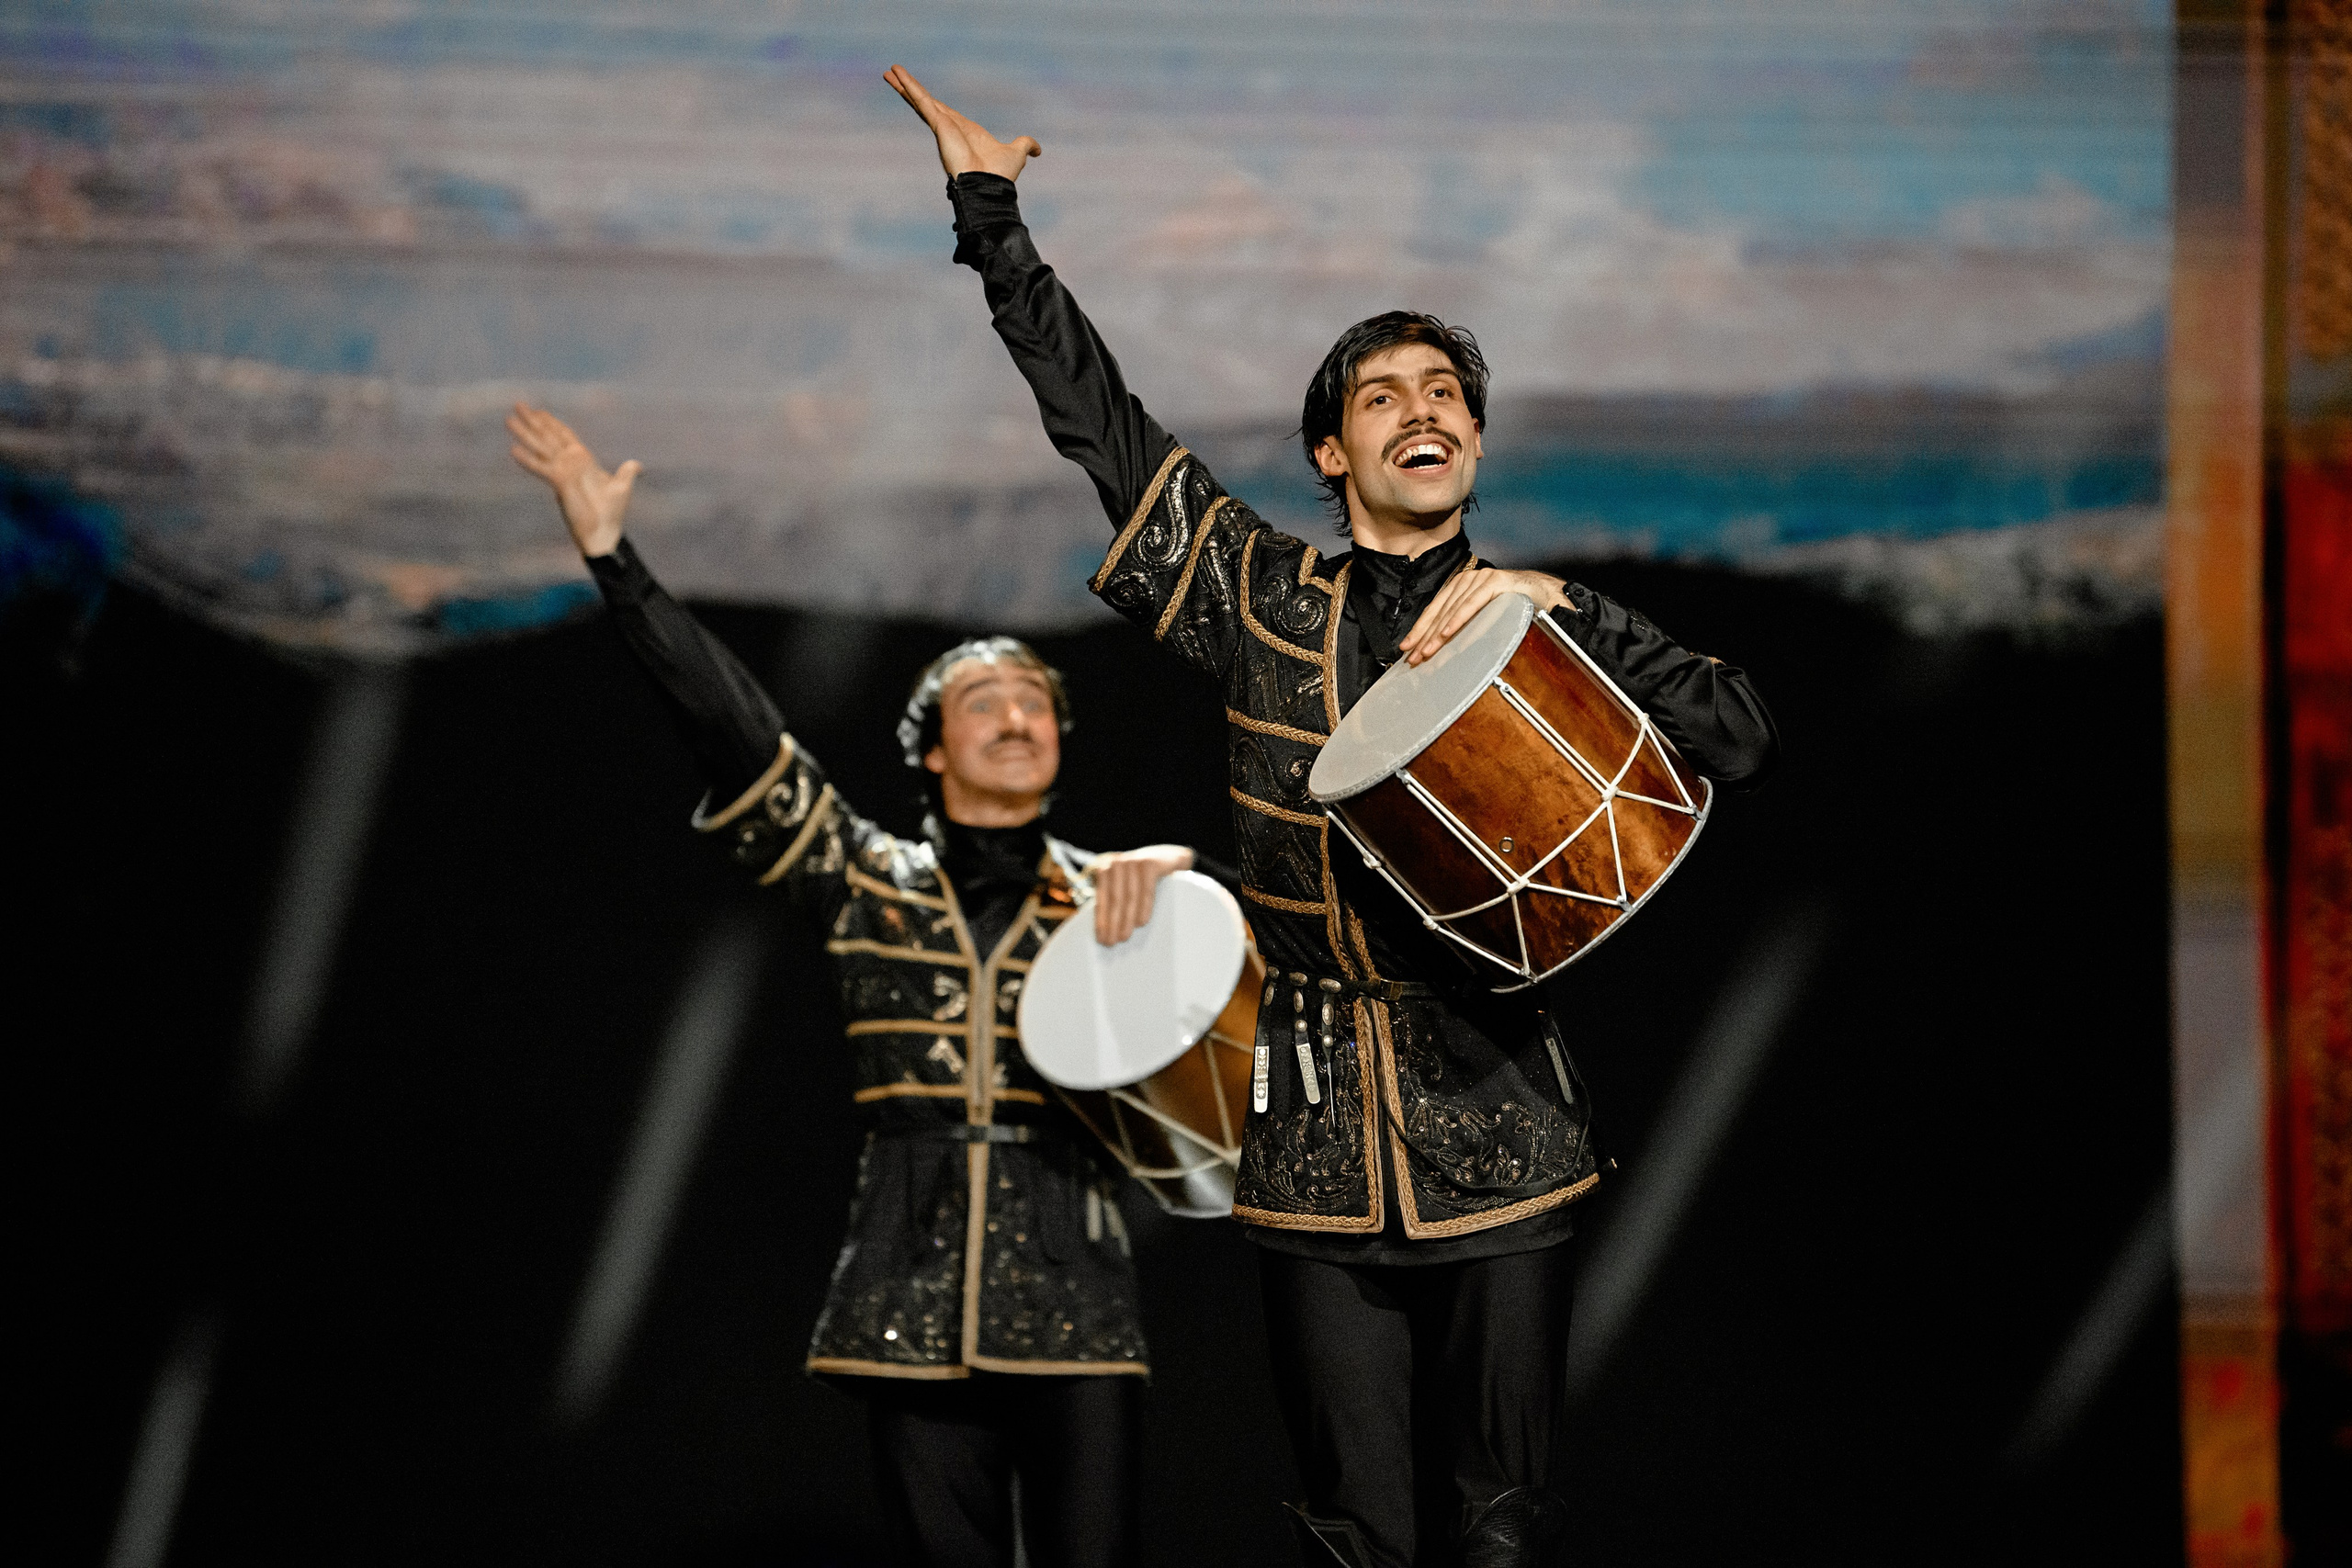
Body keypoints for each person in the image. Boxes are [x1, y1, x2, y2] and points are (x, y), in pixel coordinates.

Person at [884, 67, 1781, 1568]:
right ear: (1332, 453)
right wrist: (995, 222)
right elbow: (1102, 428)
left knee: (1500, 1527)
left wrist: (1568, 606)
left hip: (1504, 1113)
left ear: (1472, 441)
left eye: (1446, 396)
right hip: (1310, 1131)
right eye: (1383, 397)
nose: (1422, 412)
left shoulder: (1540, 626)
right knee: (1355, 1535)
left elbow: (1739, 735)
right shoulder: (1259, 596)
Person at [506, 402, 1201, 1568]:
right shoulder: (867, 879)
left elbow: (1262, 1000)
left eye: (1035, 704)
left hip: (1076, 1300)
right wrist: (616, 562)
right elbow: (738, 733)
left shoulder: (1115, 898)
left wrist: (1188, 882)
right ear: (931, 748)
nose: (1017, 718)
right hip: (910, 1297)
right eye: (985, 703)